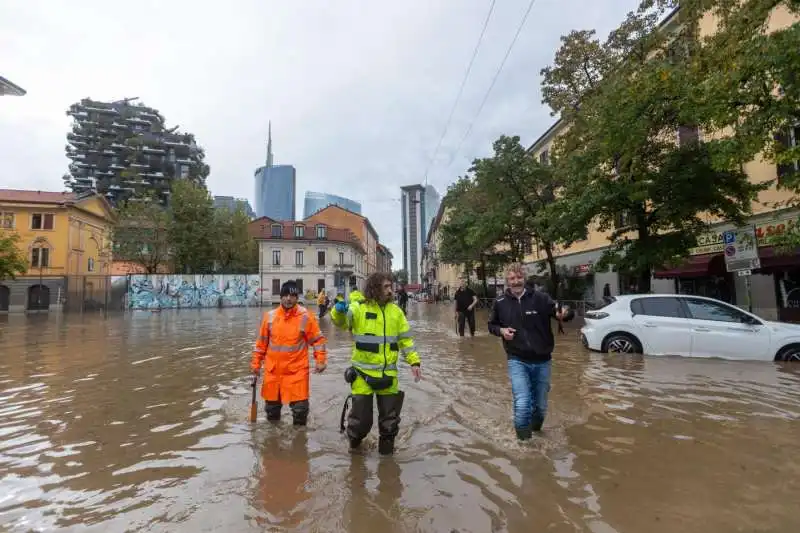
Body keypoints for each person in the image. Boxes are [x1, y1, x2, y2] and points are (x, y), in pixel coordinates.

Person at [331, 272, 422, 455]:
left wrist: (414, 362)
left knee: (390, 425)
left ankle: (387, 464)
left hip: (389, 377)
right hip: (362, 377)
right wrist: (338, 310)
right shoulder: (359, 308)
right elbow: (340, 322)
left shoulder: (396, 312)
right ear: (374, 288)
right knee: (360, 423)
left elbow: (406, 340)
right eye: (386, 287)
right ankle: (354, 453)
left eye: (391, 286)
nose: (391, 290)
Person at [488, 263, 575, 441]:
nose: (516, 281)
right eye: (512, 278)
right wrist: (502, 331)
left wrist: (565, 313)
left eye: (519, 277)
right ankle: (524, 446)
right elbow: (491, 325)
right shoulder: (500, 303)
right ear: (507, 280)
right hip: (516, 359)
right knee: (522, 403)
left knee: (541, 408)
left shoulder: (541, 298)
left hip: (543, 360)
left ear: (524, 278)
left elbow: (562, 312)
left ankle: (536, 434)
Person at [251, 281, 328, 426]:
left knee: (300, 412)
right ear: (280, 297)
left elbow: (318, 340)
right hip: (273, 372)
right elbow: (261, 344)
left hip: (296, 373)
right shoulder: (269, 317)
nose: (288, 298)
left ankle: (299, 444)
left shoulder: (306, 317)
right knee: (272, 413)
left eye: (292, 295)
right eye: (285, 295)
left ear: (297, 298)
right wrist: (255, 365)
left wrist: (321, 360)